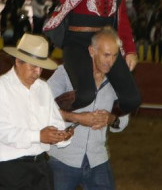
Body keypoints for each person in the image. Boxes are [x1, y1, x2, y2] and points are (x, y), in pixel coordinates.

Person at [0, 34, 73, 189]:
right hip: (8, 168)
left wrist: (62, 135)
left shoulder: (43, 88)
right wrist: (39, 136)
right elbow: (2, 131)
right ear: (18, 61)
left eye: (40, 67)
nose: (37, 72)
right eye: (33, 66)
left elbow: (55, 121)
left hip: (40, 166)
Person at [47, 27, 130, 190]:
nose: (110, 61)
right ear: (92, 51)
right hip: (62, 158)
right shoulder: (65, 73)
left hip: (97, 159)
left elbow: (124, 119)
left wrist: (111, 118)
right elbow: (43, 108)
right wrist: (77, 118)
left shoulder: (118, 81)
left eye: (114, 56)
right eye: (106, 55)